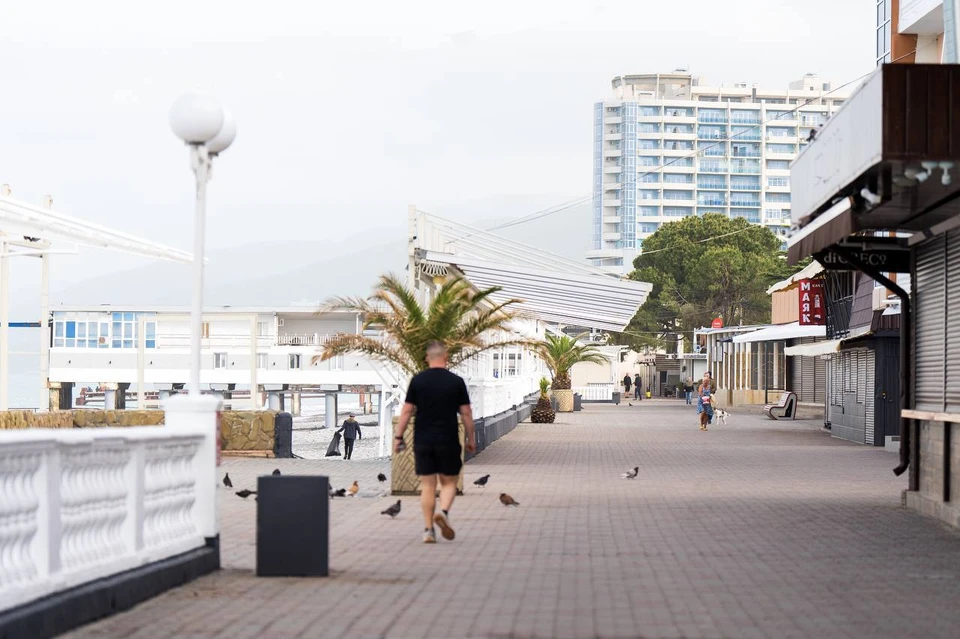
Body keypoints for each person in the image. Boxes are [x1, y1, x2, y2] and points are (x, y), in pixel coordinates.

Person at [395, 341, 476, 544]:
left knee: (428, 486)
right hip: (448, 439)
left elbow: (406, 411)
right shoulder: (456, 382)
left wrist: (398, 436)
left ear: (427, 358)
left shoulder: (418, 381)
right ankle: (444, 513)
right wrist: (471, 438)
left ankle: (428, 530)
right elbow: (466, 412)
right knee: (449, 482)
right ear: (446, 357)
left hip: (423, 440)